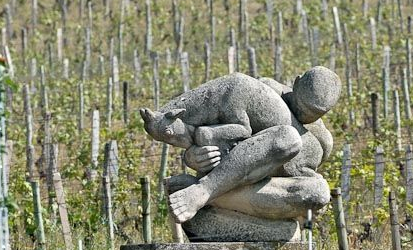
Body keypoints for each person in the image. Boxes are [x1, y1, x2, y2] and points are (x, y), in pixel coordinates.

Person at [140, 66, 341, 223]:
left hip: (260, 190)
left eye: (314, 113)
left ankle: (204, 194)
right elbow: (203, 134)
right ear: (295, 83)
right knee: (288, 137)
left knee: (319, 192)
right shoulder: (265, 90)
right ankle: (203, 190)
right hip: (230, 173)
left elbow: (298, 182)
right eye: (302, 105)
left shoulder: (321, 139)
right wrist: (193, 156)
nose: (304, 113)